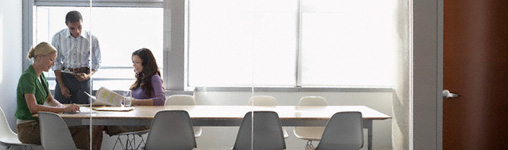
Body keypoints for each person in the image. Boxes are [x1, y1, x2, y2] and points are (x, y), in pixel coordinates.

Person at [15, 42, 102, 150]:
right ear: (40, 57)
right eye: (51, 60)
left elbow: (51, 100)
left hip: (38, 125)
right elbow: (33, 108)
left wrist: (64, 108)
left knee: (84, 130)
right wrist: (64, 108)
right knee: (81, 131)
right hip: (28, 129)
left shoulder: (40, 76)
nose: (53, 64)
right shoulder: (28, 77)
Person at [106, 48, 165, 135]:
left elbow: (161, 100)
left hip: (143, 122)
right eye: (133, 62)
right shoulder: (139, 80)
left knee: (99, 124)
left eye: (137, 62)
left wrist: (136, 102)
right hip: (131, 118)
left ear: (146, 64)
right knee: (96, 124)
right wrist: (112, 101)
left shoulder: (154, 78)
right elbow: (126, 100)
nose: (134, 65)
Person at [52, 10, 102, 104]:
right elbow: (56, 63)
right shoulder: (58, 37)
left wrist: (88, 75)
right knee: (60, 108)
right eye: (72, 28)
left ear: (82, 22)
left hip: (84, 76)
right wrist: (62, 86)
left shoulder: (92, 39)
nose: (77, 31)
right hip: (64, 76)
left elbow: (97, 62)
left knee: (83, 111)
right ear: (66, 24)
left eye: (79, 27)